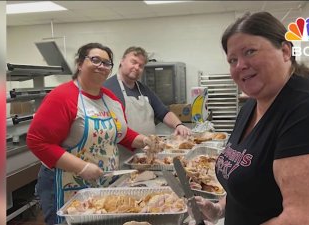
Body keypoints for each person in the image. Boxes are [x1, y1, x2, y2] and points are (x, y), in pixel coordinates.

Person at [190, 12, 309, 225]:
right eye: (233, 60)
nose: (240, 65)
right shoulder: (251, 107)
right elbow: (251, 182)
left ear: (285, 51)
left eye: (250, 52)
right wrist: (219, 209)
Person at [26, 43, 156, 225]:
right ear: (80, 63)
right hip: (66, 185)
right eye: (95, 60)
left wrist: (143, 140)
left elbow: (120, 134)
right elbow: (37, 141)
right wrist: (82, 167)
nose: (101, 66)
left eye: (106, 63)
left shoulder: (110, 99)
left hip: (103, 184)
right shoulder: (62, 96)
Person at [103, 46, 191, 164]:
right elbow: (115, 129)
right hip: (124, 159)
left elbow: (163, 112)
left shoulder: (143, 89)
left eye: (141, 65)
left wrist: (178, 125)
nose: (137, 67)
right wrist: (145, 141)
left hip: (148, 156)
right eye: (133, 62)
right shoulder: (108, 89)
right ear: (122, 60)